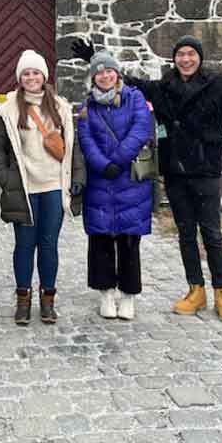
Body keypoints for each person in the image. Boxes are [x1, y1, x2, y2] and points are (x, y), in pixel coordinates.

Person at [72, 16, 222, 324]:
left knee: (211, 233)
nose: (186, 59)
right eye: (180, 55)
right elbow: (123, 79)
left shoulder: (218, 85)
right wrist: (94, 58)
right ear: (174, 60)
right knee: (186, 233)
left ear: (199, 58)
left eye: (191, 54)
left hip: (205, 169)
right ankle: (195, 290)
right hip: (175, 171)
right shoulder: (162, 89)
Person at [0, 50, 85, 325]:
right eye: (26, 73)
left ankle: (47, 300)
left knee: (48, 245)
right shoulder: (6, 111)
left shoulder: (61, 107)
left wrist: (77, 178)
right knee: (24, 245)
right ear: (20, 78)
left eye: (35, 72)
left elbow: (74, 148)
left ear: (44, 76)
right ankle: (23, 299)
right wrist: (5, 179)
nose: (31, 77)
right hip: (24, 187)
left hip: (54, 187)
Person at [77, 51, 153, 320]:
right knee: (101, 240)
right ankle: (106, 293)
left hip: (129, 180)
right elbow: (85, 138)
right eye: (99, 72)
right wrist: (101, 164)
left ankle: (128, 296)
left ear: (117, 73)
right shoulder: (87, 106)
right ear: (94, 77)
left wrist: (118, 160)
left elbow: (141, 129)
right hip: (100, 182)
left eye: (109, 70)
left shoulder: (135, 99)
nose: (105, 75)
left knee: (129, 240)